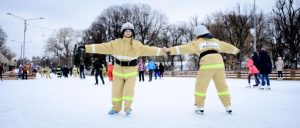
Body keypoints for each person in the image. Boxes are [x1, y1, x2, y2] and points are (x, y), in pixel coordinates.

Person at [79, 22, 166, 116]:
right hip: (118, 71)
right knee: (116, 92)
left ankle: (128, 108)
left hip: (131, 72)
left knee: (128, 91)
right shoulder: (116, 43)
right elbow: (101, 47)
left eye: (130, 31)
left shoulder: (137, 45)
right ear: (123, 32)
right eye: (126, 31)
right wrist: (86, 47)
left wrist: (163, 51)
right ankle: (116, 108)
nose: (128, 33)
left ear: (132, 32)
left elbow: (150, 49)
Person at [163, 25, 240, 114]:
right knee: (222, 86)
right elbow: (227, 46)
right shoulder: (215, 41)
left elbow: (183, 48)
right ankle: (228, 106)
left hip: (207, 65)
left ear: (198, 34)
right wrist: (236, 50)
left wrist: (169, 50)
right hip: (219, 65)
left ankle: (199, 107)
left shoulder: (197, 42)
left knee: (201, 86)